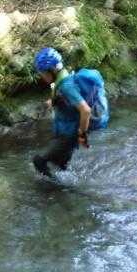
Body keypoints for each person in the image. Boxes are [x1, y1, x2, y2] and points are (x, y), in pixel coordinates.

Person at [31, 47, 108, 178]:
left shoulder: (66, 85)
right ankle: (62, 186)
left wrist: (82, 134)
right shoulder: (63, 78)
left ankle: (56, 185)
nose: (41, 76)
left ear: (52, 70)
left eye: (43, 73)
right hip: (65, 131)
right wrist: (51, 103)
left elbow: (85, 110)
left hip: (68, 135)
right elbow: (63, 96)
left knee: (39, 161)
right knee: (60, 166)